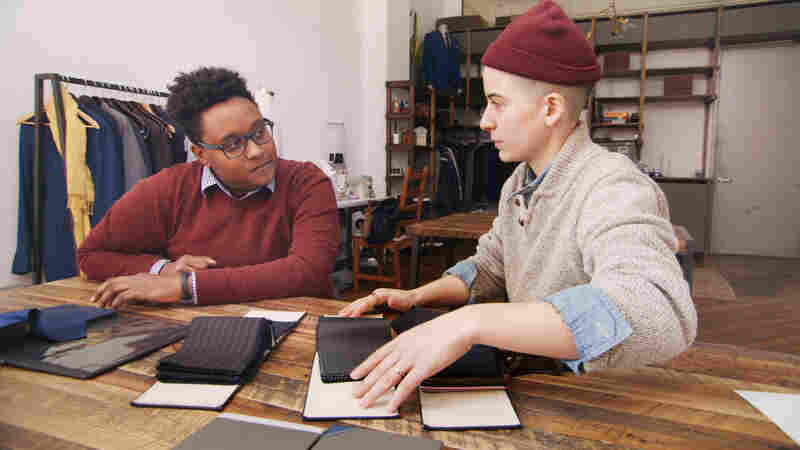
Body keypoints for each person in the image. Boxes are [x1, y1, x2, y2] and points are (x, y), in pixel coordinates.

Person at [339, 0, 697, 412]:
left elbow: (657, 312)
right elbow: (491, 266)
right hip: (537, 389)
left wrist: (471, 323)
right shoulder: (518, 183)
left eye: (498, 102)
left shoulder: (612, 185)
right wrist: (417, 296)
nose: (485, 121)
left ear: (551, 109)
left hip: (599, 406)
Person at [78, 67, 339, 308]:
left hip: (300, 331)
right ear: (201, 154)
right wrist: (163, 269)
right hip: (198, 329)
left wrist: (185, 286)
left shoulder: (307, 182)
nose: (257, 151)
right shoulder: (169, 189)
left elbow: (308, 271)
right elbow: (91, 255)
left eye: (260, 132)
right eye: (233, 144)